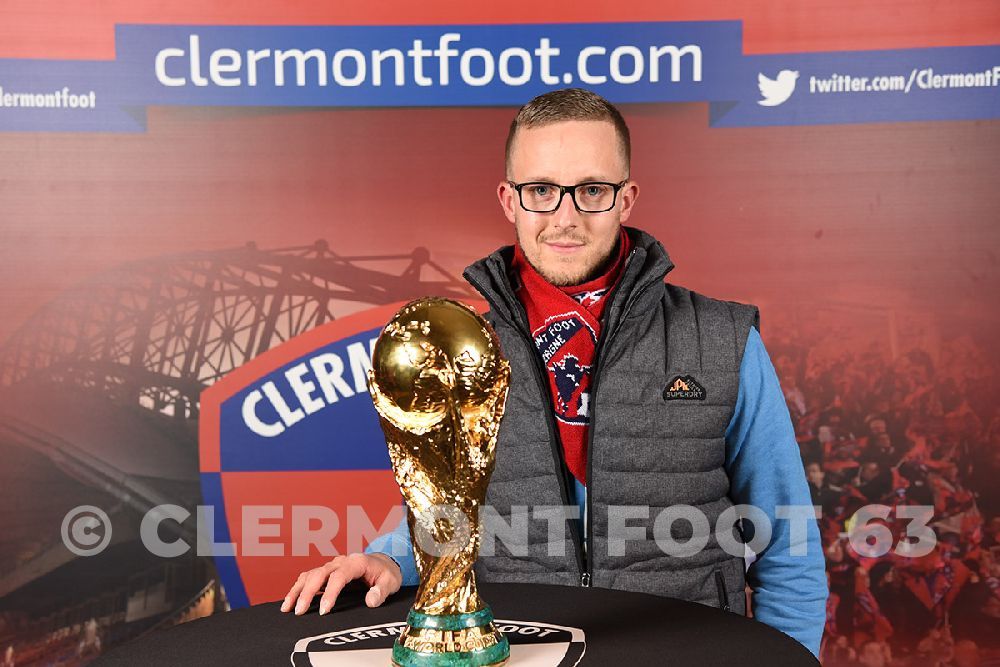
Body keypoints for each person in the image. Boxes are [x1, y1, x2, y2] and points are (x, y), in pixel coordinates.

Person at [281, 88, 828, 657]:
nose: (565, 218)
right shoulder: (468, 349)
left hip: (685, 653)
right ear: (509, 199)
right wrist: (388, 558)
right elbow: (448, 503)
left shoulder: (721, 339)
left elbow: (788, 547)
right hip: (523, 651)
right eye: (541, 190)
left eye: (592, 190)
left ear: (626, 198)